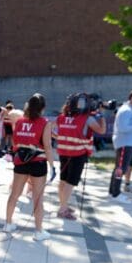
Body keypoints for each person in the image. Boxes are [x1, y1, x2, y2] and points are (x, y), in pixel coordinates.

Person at [3, 93, 54, 241]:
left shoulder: (19, 122)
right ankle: (38, 231)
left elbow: (15, 141)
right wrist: (52, 165)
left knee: (14, 194)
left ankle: (8, 223)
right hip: (38, 163)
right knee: (38, 198)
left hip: (21, 161)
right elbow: (48, 147)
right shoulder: (45, 123)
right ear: (42, 108)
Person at [54, 92, 106, 220]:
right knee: (70, 182)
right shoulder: (87, 118)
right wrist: (102, 116)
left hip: (63, 153)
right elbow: (102, 130)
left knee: (63, 180)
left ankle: (63, 205)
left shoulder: (61, 117)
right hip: (78, 154)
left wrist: (60, 138)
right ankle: (62, 210)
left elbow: (51, 131)